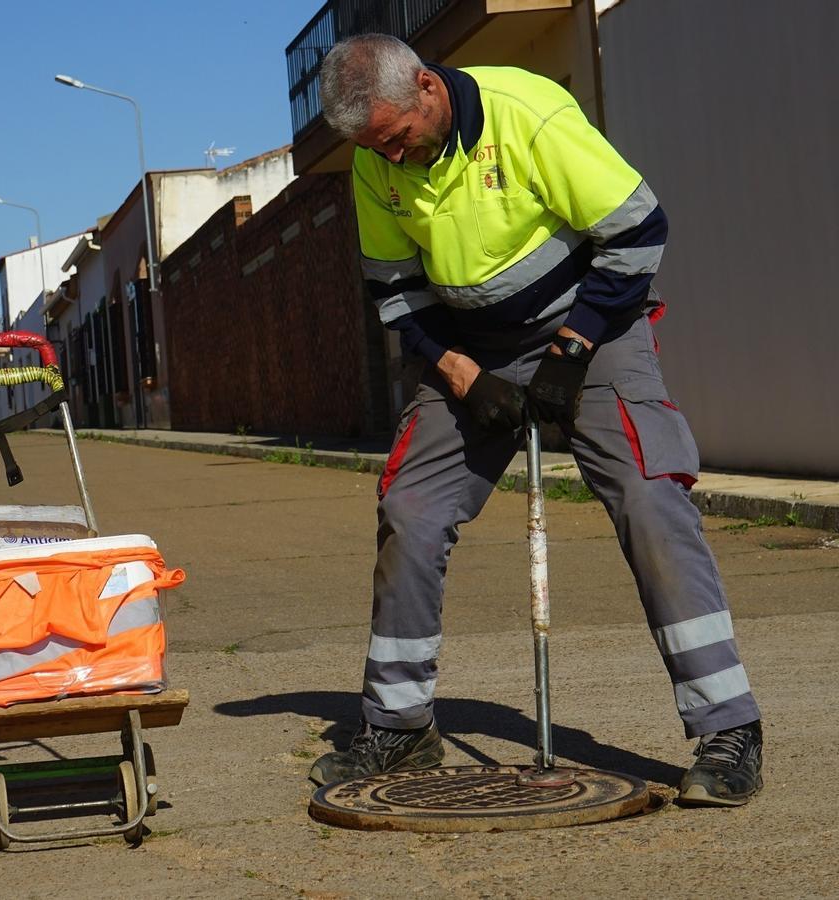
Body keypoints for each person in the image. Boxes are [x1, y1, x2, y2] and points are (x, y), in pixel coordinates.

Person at [308, 34, 762, 807]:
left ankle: (728, 730)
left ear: (427, 88)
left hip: (592, 329)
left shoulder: (528, 114)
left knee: (652, 500)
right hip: (469, 355)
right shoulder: (375, 162)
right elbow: (396, 294)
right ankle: (400, 727)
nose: (391, 158)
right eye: (373, 147)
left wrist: (572, 348)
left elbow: (640, 230)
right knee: (409, 511)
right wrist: (461, 373)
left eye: (395, 137)